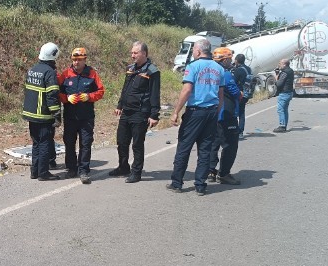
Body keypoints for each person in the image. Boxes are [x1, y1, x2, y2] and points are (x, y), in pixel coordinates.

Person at [166, 39, 225, 196]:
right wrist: (217, 113)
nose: (192, 53)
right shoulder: (219, 68)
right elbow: (221, 94)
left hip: (195, 112)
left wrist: (175, 112)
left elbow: (187, 90)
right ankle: (200, 185)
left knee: (184, 147)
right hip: (211, 112)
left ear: (198, 51)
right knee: (205, 149)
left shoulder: (193, 66)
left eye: (193, 51)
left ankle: (177, 183)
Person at [108, 41, 161, 183]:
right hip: (127, 112)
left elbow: (155, 94)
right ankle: (123, 167)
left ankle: (136, 172)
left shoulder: (152, 71)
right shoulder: (130, 69)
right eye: (131, 52)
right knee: (121, 141)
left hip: (140, 112)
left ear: (144, 53)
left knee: (137, 144)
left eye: (135, 53)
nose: (132, 55)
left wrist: (154, 115)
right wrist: (120, 105)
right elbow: (125, 88)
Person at [58, 47, 105, 184]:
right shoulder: (66, 74)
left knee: (85, 143)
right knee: (69, 143)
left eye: (79, 60)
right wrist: (66, 98)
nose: (76, 63)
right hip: (70, 117)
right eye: (74, 60)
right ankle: (71, 169)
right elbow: (56, 92)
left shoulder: (92, 74)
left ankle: (84, 170)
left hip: (86, 117)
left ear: (85, 60)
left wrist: (89, 96)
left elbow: (101, 91)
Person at [22, 42, 62, 181]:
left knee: (36, 143)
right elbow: (52, 96)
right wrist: (56, 114)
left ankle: (35, 171)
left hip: (31, 115)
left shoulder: (32, 70)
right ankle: (43, 173)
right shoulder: (49, 72)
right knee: (45, 143)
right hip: (43, 115)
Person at [208, 47, 242, 185]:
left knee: (213, 143)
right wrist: (241, 94)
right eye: (230, 59)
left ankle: (210, 171)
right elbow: (235, 92)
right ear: (226, 59)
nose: (231, 62)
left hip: (212, 113)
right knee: (230, 145)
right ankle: (224, 173)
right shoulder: (225, 73)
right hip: (226, 114)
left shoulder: (209, 71)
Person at [232, 54, 252, 137]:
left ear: (236, 60)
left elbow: (234, 82)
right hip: (247, 93)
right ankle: (241, 131)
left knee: (235, 112)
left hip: (239, 94)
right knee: (242, 113)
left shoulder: (238, 70)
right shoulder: (248, 69)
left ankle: (236, 130)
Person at [273, 58, 295, 133]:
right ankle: (284, 125)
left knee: (281, 110)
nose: (279, 65)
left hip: (284, 93)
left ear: (284, 64)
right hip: (289, 92)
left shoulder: (284, 73)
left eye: (280, 64)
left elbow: (279, 84)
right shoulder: (290, 71)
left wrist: (276, 76)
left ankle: (282, 126)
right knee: (285, 110)